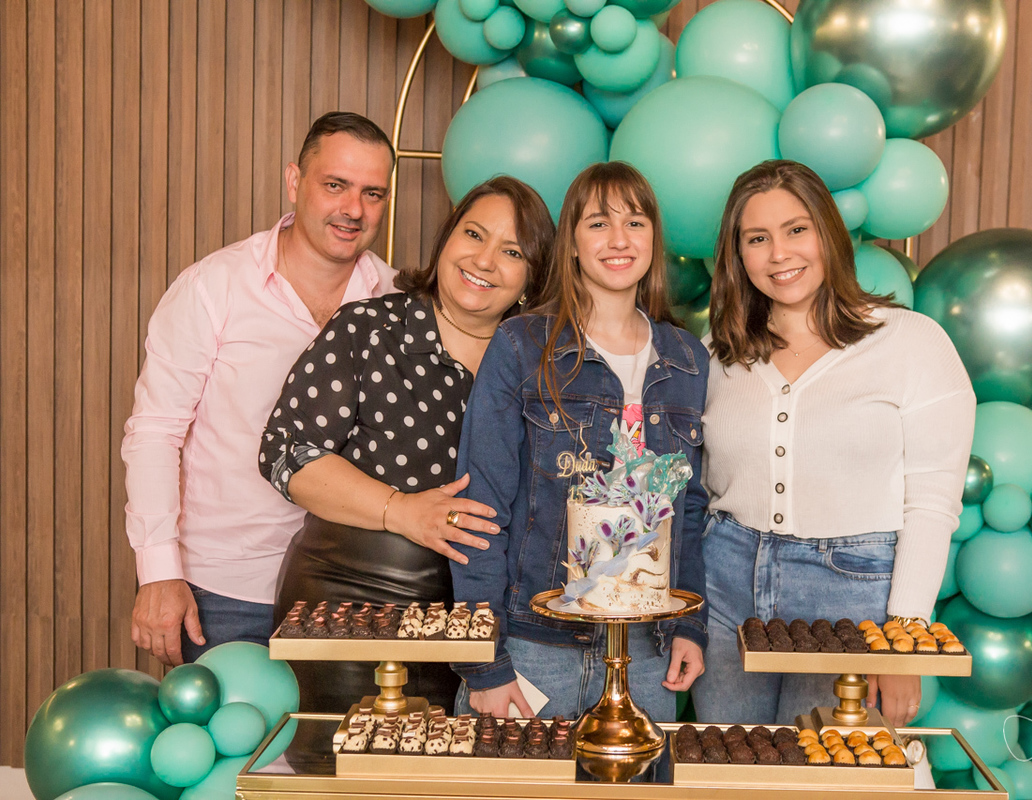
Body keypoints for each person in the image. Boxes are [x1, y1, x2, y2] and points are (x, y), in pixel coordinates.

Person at [258, 177, 554, 753]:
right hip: (354, 606)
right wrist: (401, 511)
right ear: (446, 239)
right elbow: (286, 452)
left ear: (532, 278)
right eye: (473, 234)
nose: (484, 260)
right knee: (344, 777)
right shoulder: (368, 329)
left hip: (490, 623)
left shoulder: (544, 364)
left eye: (513, 251)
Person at [692, 160, 975, 727]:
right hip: (723, 587)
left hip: (853, 599)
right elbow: (695, 483)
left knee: (828, 768)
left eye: (797, 230)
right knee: (729, 764)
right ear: (737, 255)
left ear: (828, 233)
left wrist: (904, 638)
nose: (779, 254)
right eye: (757, 238)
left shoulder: (912, 342)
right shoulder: (715, 351)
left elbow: (932, 502)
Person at [122, 112, 399, 666]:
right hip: (224, 589)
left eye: (373, 193)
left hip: (351, 590)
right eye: (336, 185)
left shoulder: (395, 300)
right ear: (295, 181)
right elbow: (154, 433)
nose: (354, 209)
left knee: (339, 730)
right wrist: (158, 573)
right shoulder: (213, 287)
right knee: (232, 728)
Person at [449, 162, 708, 721]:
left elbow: (690, 511)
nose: (619, 240)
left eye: (635, 223)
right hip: (533, 647)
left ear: (654, 239)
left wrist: (690, 626)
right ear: (570, 242)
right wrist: (483, 661)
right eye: (598, 223)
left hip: (648, 653)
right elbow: (478, 510)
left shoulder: (688, 359)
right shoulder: (522, 346)